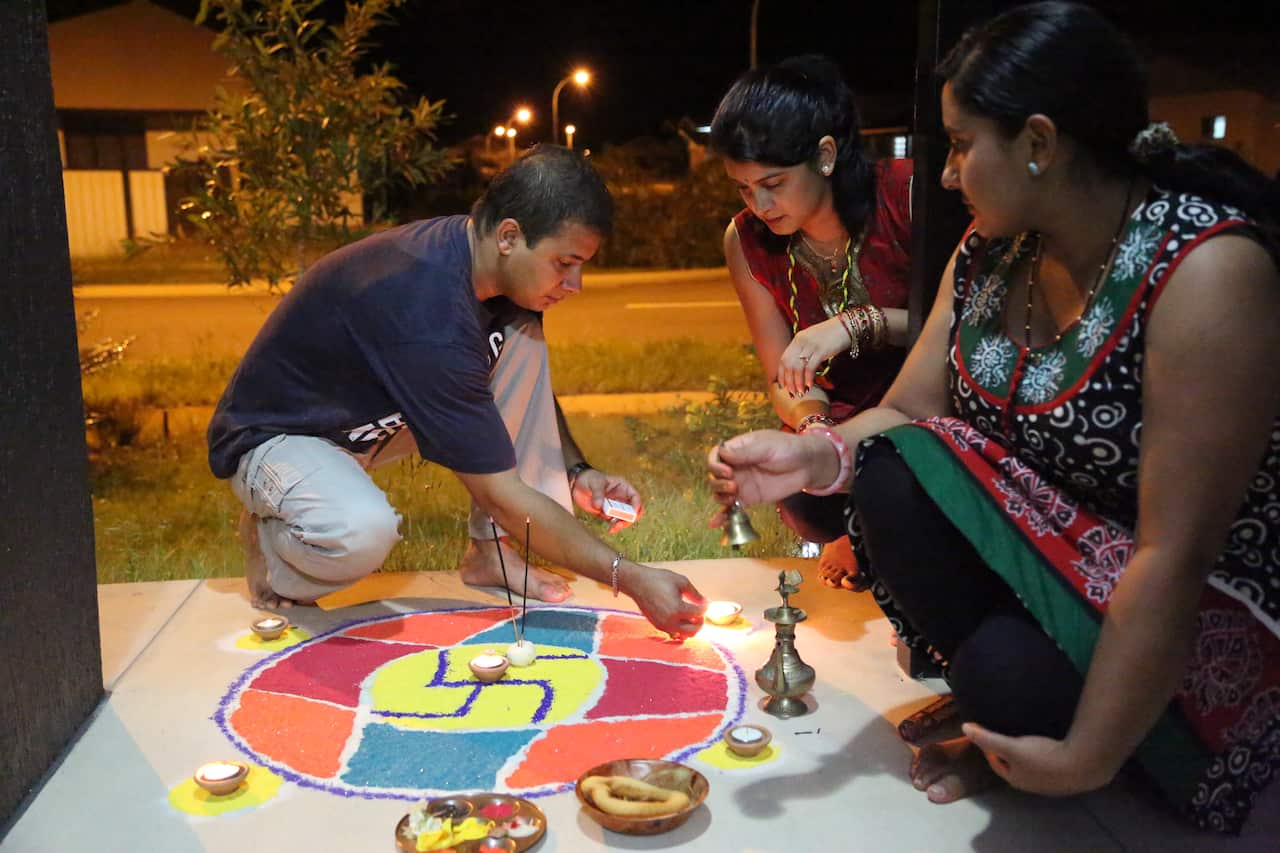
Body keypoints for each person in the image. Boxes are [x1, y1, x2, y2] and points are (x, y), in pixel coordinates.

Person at [707, 2, 1280, 834]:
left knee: (1009, 681)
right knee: (893, 470)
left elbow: (1174, 555)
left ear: (1040, 145)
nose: (945, 173)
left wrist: (1089, 753)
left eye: (963, 145)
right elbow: (905, 409)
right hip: (1057, 568)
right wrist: (812, 458)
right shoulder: (989, 252)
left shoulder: (1204, 269)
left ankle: (1065, 720)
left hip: (1185, 610)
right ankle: (1010, 699)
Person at [208, 145, 707, 639]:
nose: (574, 283)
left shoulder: (490, 269)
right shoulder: (428, 309)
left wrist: (577, 469)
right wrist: (631, 577)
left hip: (370, 418)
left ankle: (493, 552)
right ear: (509, 235)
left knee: (521, 342)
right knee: (359, 531)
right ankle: (276, 551)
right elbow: (500, 490)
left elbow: (518, 394)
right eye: (565, 263)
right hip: (278, 436)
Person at [708, 55, 913, 590]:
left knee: (899, 485)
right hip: (840, 413)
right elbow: (782, 374)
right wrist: (815, 434)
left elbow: (962, 332)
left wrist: (858, 323)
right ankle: (851, 532)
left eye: (772, 182)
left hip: (925, 404)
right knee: (803, 498)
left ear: (825, 155)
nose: (760, 204)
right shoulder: (746, 238)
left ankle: (880, 542)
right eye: (743, 187)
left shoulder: (907, 196)